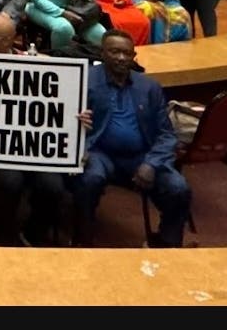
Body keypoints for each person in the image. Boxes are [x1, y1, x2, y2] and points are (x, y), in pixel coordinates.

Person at [72, 31, 192, 248]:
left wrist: (152, 163)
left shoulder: (149, 87)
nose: (121, 57)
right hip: (99, 152)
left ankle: (166, 243)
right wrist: (77, 123)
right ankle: (82, 238)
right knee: (90, 179)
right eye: (114, 51)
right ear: (102, 53)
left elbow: (166, 134)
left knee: (178, 187)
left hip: (141, 156)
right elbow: (65, 120)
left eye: (126, 53)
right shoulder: (85, 80)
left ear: (133, 56)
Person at [0, 12, 66, 246]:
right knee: (10, 182)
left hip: (32, 144)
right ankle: (4, 235)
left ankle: (34, 233)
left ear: (8, 41)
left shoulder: (31, 61)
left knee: (53, 187)